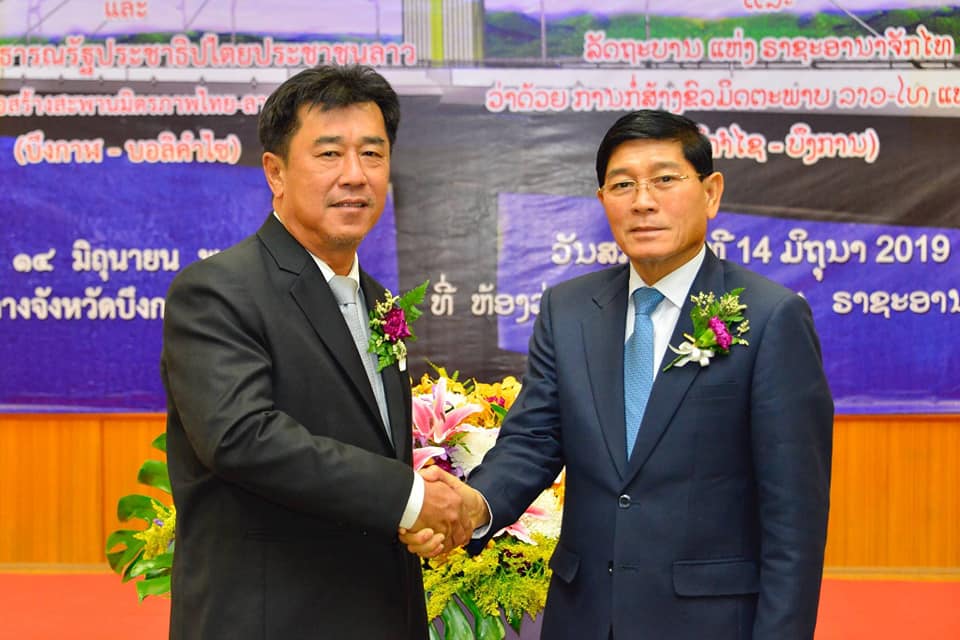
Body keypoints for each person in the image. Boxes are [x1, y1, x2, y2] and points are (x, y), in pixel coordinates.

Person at [406, 109, 833, 639]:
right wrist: (474, 506)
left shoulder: (770, 317)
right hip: (584, 618)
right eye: (623, 184)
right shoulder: (569, 310)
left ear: (711, 193)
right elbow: (533, 442)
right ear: (603, 198)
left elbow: (794, 519)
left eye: (665, 179)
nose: (643, 201)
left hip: (708, 623)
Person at [161, 65, 468, 640]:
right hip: (272, 619)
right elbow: (242, 437)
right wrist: (409, 498)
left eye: (372, 154)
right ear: (275, 171)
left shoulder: (378, 300)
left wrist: (417, 514)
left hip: (381, 611)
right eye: (329, 154)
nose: (355, 175)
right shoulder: (218, 290)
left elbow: (369, 446)